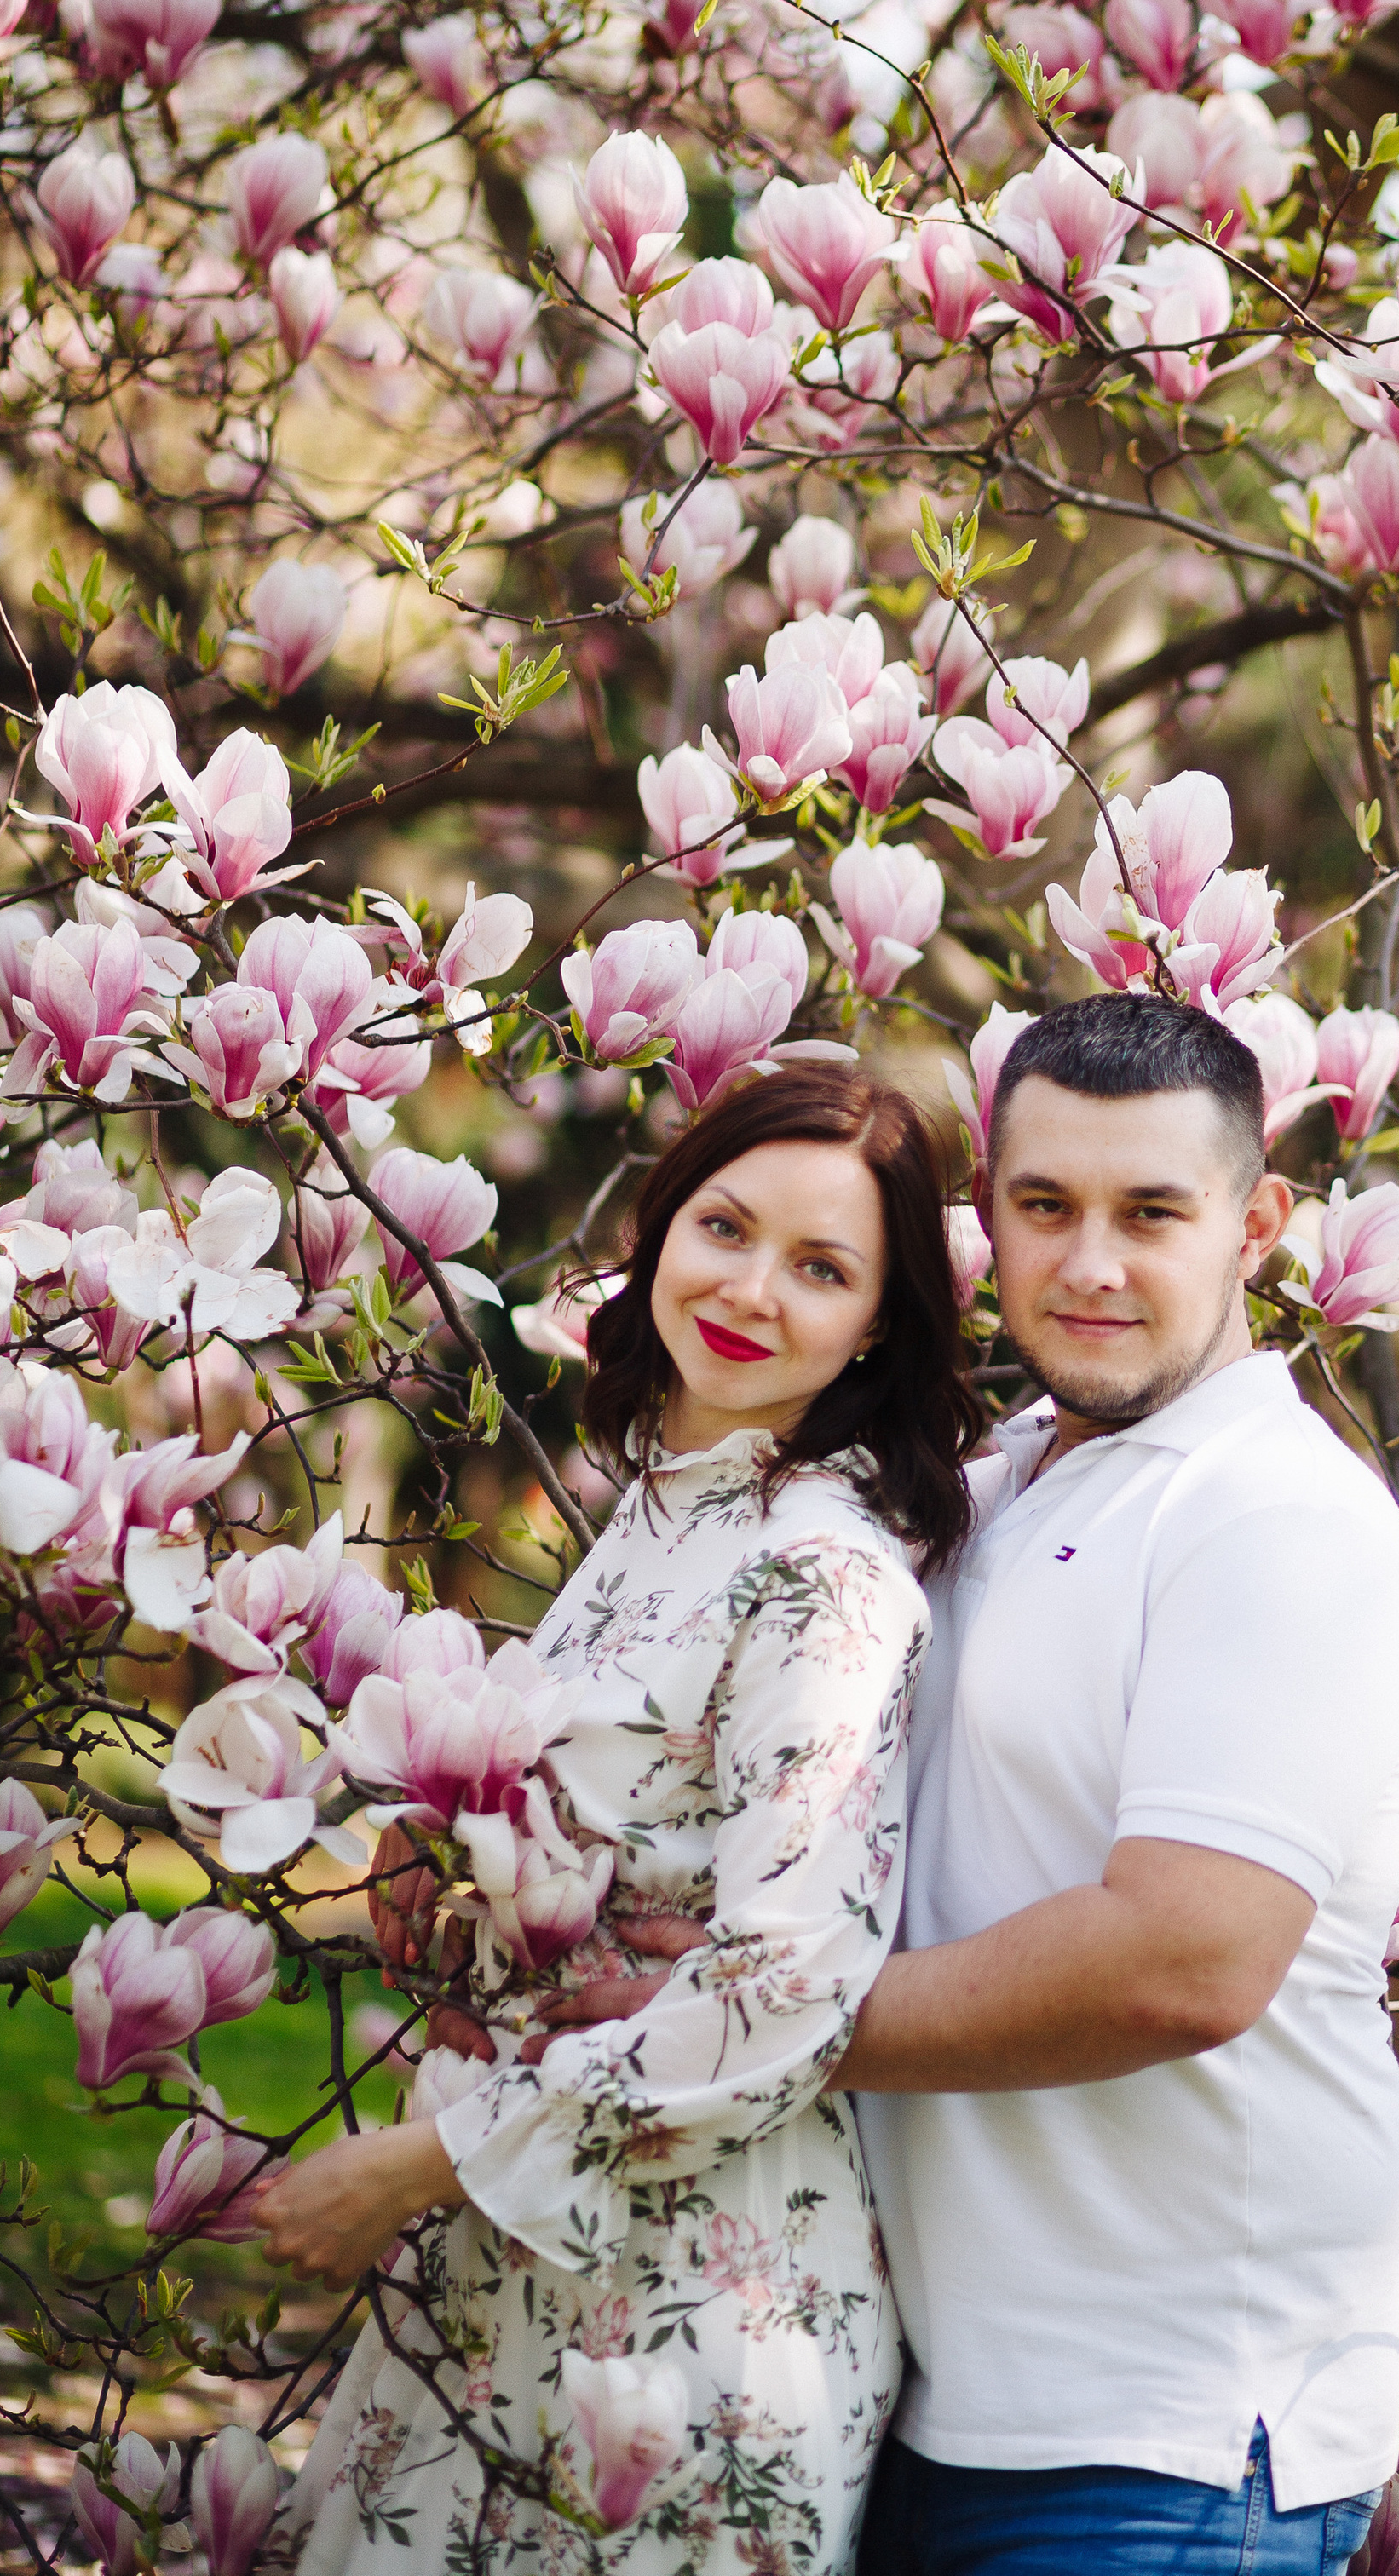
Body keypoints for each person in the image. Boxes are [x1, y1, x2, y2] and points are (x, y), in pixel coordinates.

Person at [249, 1066, 982, 2576]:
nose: (752, 1290)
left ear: (880, 1327)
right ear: (663, 1230)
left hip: (686, 2309)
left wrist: (428, 2164)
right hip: (525, 2249)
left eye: (824, 1268)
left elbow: (789, 1979)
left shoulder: (821, 1574)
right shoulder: (668, 1504)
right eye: (726, 1226)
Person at [843, 992, 1399, 2576]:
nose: (1090, 1264)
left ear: (1259, 1225)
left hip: (1170, 2444)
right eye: (1046, 1207)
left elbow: (1186, 1959)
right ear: (990, 1219)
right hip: (932, 2400)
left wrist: (756, 2033)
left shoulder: (1274, 1518)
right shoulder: (986, 1488)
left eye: (1151, 1213)